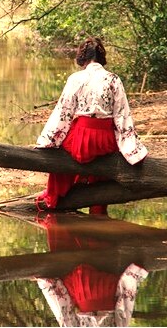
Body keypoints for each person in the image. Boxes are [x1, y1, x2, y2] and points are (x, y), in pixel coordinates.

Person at [35, 37, 147, 213]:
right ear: (101, 57)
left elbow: (64, 112)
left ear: (83, 56)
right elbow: (122, 115)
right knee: (101, 168)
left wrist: (49, 141)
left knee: (61, 156)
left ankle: (55, 195)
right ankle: (98, 209)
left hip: (82, 139)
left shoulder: (76, 78)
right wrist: (131, 147)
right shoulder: (113, 79)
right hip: (105, 141)